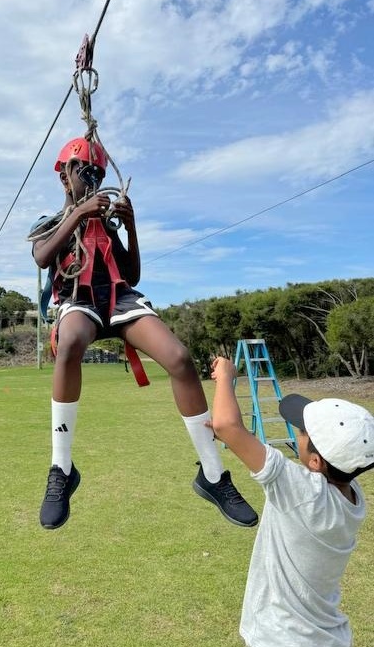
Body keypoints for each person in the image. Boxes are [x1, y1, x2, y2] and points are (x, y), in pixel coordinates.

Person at [29, 137, 258, 531]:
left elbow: (131, 275)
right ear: (65, 178)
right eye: (86, 172)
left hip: (118, 300)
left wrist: (130, 226)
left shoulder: (108, 226)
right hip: (77, 300)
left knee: (180, 359)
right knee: (69, 345)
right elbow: (42, 256)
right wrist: (79, 213)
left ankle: (214, 475)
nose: (94, 178)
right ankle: (61, 469)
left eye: (98, 174)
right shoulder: (52, 221)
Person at [209, 356, 374, 647]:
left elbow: (225, 426)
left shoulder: (302, 491)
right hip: (326, 637)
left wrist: (226, 375)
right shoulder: (353, 497)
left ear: (315, 461)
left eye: (301, 432)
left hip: (282, 637)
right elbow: (228, 428)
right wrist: (235, 435)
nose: (297, 433)